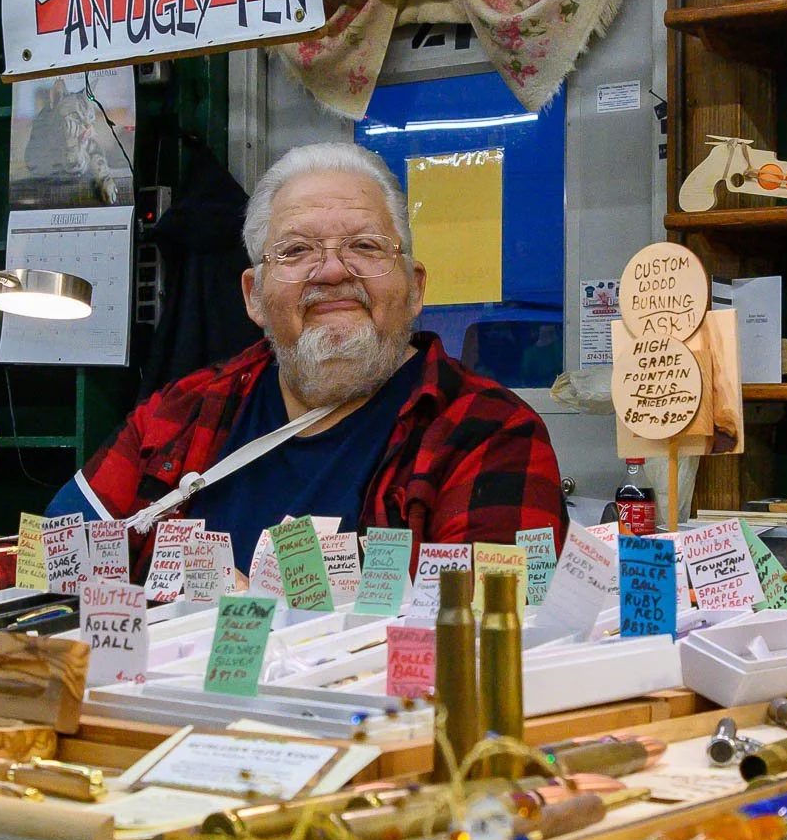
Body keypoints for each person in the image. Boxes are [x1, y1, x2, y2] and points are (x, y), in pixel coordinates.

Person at [48, 142, 565, 573]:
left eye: (365, 245)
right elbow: (54, 564)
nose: (333, 271)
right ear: (253, 296)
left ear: (414, 287)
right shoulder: (181, 413)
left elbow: (486, 641)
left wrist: (267, 626)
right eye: (296, 251)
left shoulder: (490, 435)